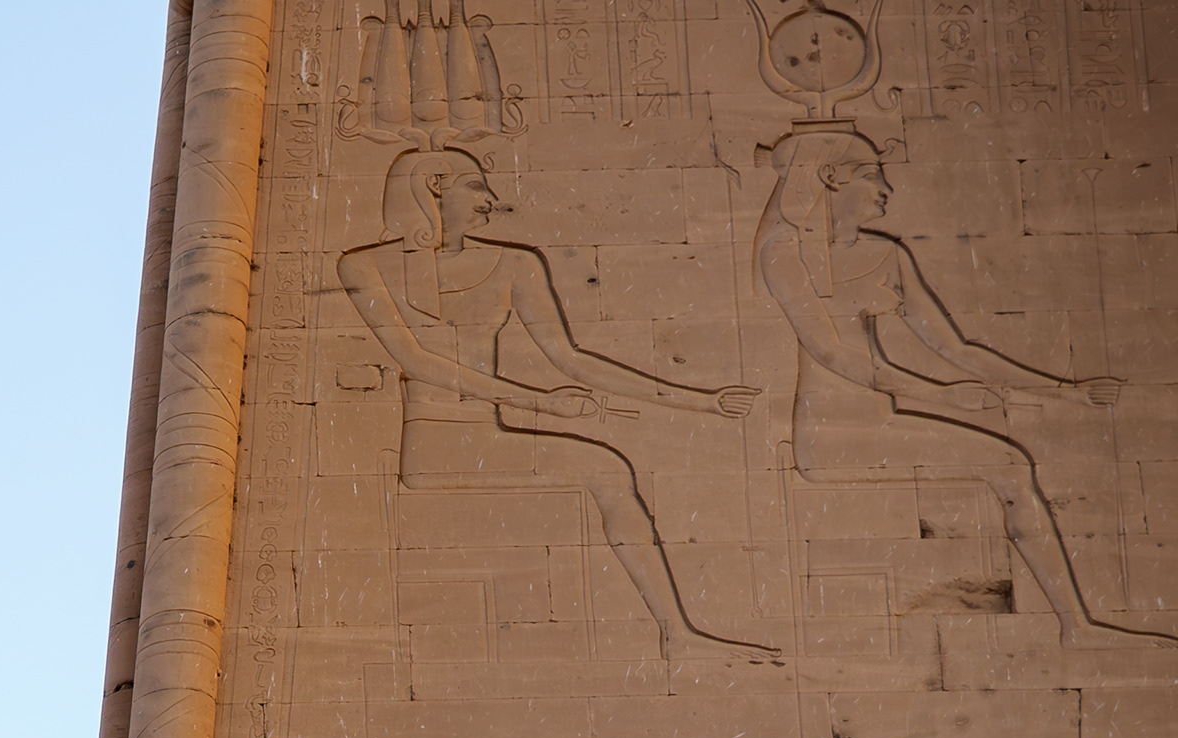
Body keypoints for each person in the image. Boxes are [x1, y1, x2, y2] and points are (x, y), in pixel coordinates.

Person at [336, 147, 775, 670]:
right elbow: (419, 360)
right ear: (434, 185)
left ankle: (677, 634)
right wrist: (540, 404)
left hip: (486, 433)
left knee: (608, 465)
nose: (491, 201)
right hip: (436, 445)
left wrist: (701, 401)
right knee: (607, 468)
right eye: (476, 186)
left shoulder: (515, 264)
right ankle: (677, 634)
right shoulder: (362, 265)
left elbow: (572, 361)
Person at [758, 130, 1170, 652]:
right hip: (833, 435)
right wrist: (944, 397)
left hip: (880, 420)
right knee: (1010, 465)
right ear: (830, 177)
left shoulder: (886, 254)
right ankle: (1076, 628)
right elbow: (834, 355)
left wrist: (1066, 390)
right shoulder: (784, 255)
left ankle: (1076, 627)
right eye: (871, 174)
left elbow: (957, 349)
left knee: (1011, 465)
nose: (887, 188)